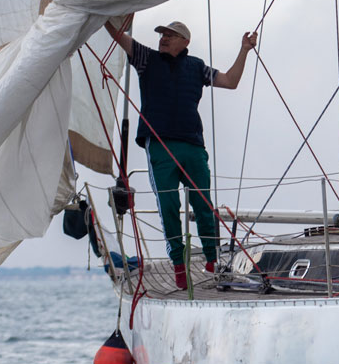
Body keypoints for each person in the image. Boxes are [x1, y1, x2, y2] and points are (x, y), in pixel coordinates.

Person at [105, 16, 257, 289]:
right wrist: (106, 12)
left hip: (193, 145)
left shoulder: (197, 67)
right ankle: (178, 265)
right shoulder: (146, 58)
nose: (163, 38)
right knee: (169, 206)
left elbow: (231, 82)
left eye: (170, 35)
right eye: (161, 34)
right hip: (161, 146)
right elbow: (118, 36)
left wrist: (244, 49)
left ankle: (212, 259)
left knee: (203, 205)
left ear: (185, 42)